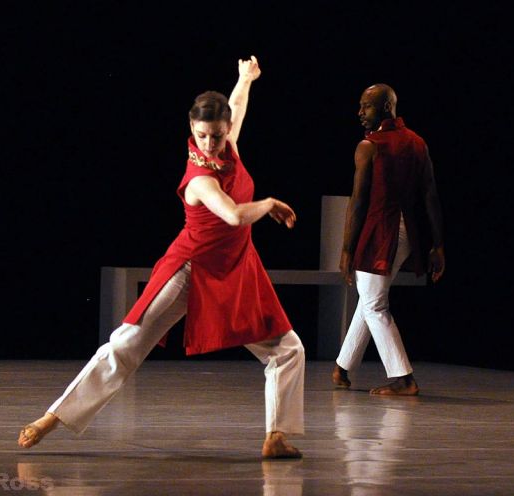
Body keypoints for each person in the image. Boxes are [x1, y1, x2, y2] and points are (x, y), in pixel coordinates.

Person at [18, 55, 305, 458]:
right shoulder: (200, 178)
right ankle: (53, 416)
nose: (209, 144)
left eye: (217, 136)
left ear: (226, 131)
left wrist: (245, 78)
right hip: (190, 269)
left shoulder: (228, 147)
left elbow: (237, 106)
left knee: (288, 349)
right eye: (202, 136)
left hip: (236, 269)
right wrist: (269, 203)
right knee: (128, 343)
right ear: (192, 129)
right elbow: (233, 215)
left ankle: (276, 436)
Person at [332, 83, 445, 396]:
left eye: (365, 106)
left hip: (381, 231)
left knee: (374, 304)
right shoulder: (418, 143)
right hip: (407, 233)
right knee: (370, 299)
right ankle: (342, 367)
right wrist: (438, 244)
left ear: (384, 108)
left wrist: (346, 249)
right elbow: (431, 196)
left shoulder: (369, 146)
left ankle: (404, 379)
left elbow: (358, 201)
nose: (359, 113)